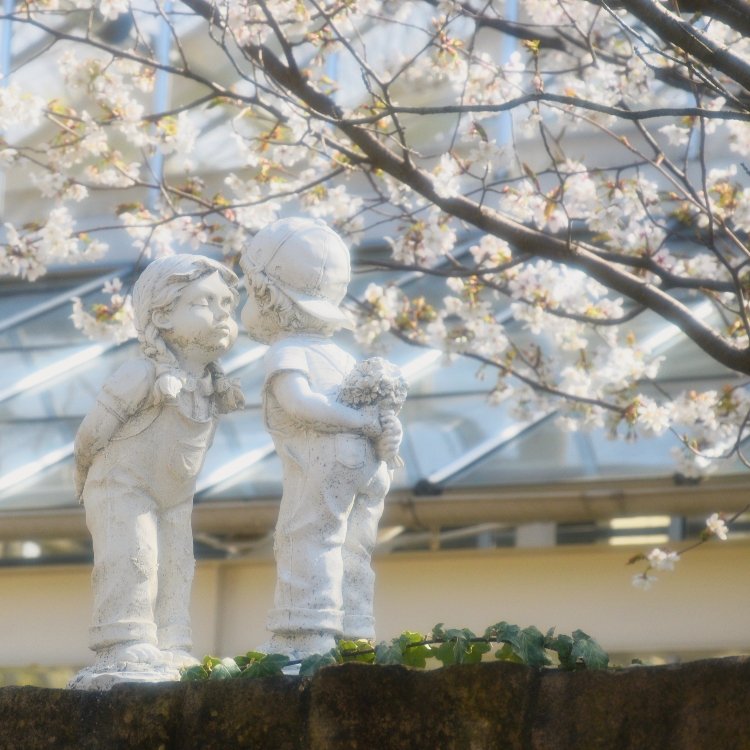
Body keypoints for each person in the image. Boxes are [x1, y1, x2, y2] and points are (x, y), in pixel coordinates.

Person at [240, 217, 403, 659]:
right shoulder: (342, 356)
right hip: (371, 465)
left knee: (307, 536)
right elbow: (382, 410)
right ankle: (356, 632)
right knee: (355, 547)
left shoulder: (287, 350)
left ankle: (306, 632)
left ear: (267, 294)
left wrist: (358, 423)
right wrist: (379, 429)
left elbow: (300, 403)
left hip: (331, 461)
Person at [74, 254, 243, 675]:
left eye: (227, 303)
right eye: (204, 302)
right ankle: (123, 639)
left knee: (177, 566)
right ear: (162, 315)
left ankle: (173, 639)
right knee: (133, 558)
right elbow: (91, 434)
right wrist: (83, 477)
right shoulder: (140, 374)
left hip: (175, 497)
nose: (222, 313)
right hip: (122, 488)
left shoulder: (211, 387)